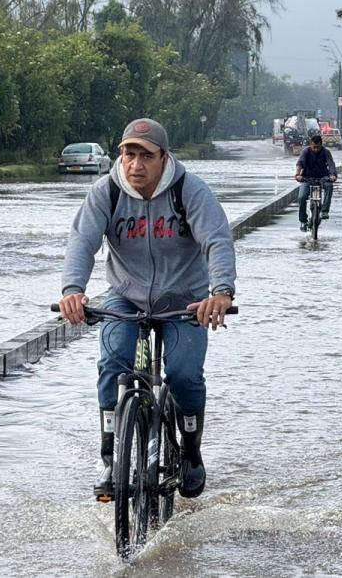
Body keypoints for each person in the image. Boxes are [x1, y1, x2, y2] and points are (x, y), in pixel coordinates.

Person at [57, 118, 236, 502]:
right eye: (128, 154)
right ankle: (111, 459)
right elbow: (81, 242)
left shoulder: (189, 190)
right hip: (125, 296)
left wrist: (220, 292)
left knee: (185, 373)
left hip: (184, 299)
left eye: (145, 156)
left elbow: (217, 240)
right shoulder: (106, 192)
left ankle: (190, 452)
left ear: (163, 158)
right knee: (113, 362)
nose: (135, 165)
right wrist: (73, 291)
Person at [294, 134, 338, 232]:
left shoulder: (326, 152)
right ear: (310, 145)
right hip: (307, 178)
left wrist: (333, 175)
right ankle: (303, 221)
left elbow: (331, 164)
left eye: (318, 147)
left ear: (321, 145)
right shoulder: (305, 152)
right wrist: (297, 174)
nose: (316, 149)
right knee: (301, 197)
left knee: (329, 186)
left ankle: (324, 211)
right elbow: (300, 163)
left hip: (323, 177)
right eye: (314, 147)